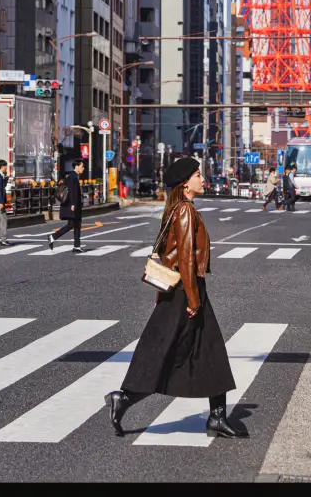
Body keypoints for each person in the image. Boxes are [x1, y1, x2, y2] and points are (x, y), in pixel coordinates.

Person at [105, 155, 246, 440]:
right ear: (185, 185)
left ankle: (217, 417)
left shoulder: (182, 209)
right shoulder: (185, 212)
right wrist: (194, 300)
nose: (202, 179)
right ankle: (125, 398)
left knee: (208, 350)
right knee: (168, 352)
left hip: (186, 291)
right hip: (186, 292)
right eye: (197, 175)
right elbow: (185, 260)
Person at [48, 160, 84, 253]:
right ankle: (53, 237)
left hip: (74, 205)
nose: (83, 168)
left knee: (77, 225)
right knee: (72, 224)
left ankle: (77, 246)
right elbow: (72, 192)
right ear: (76, 166)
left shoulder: (72, 176)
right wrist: (73, 204)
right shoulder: (72, 177)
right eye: (82, 166)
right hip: (72, 205)